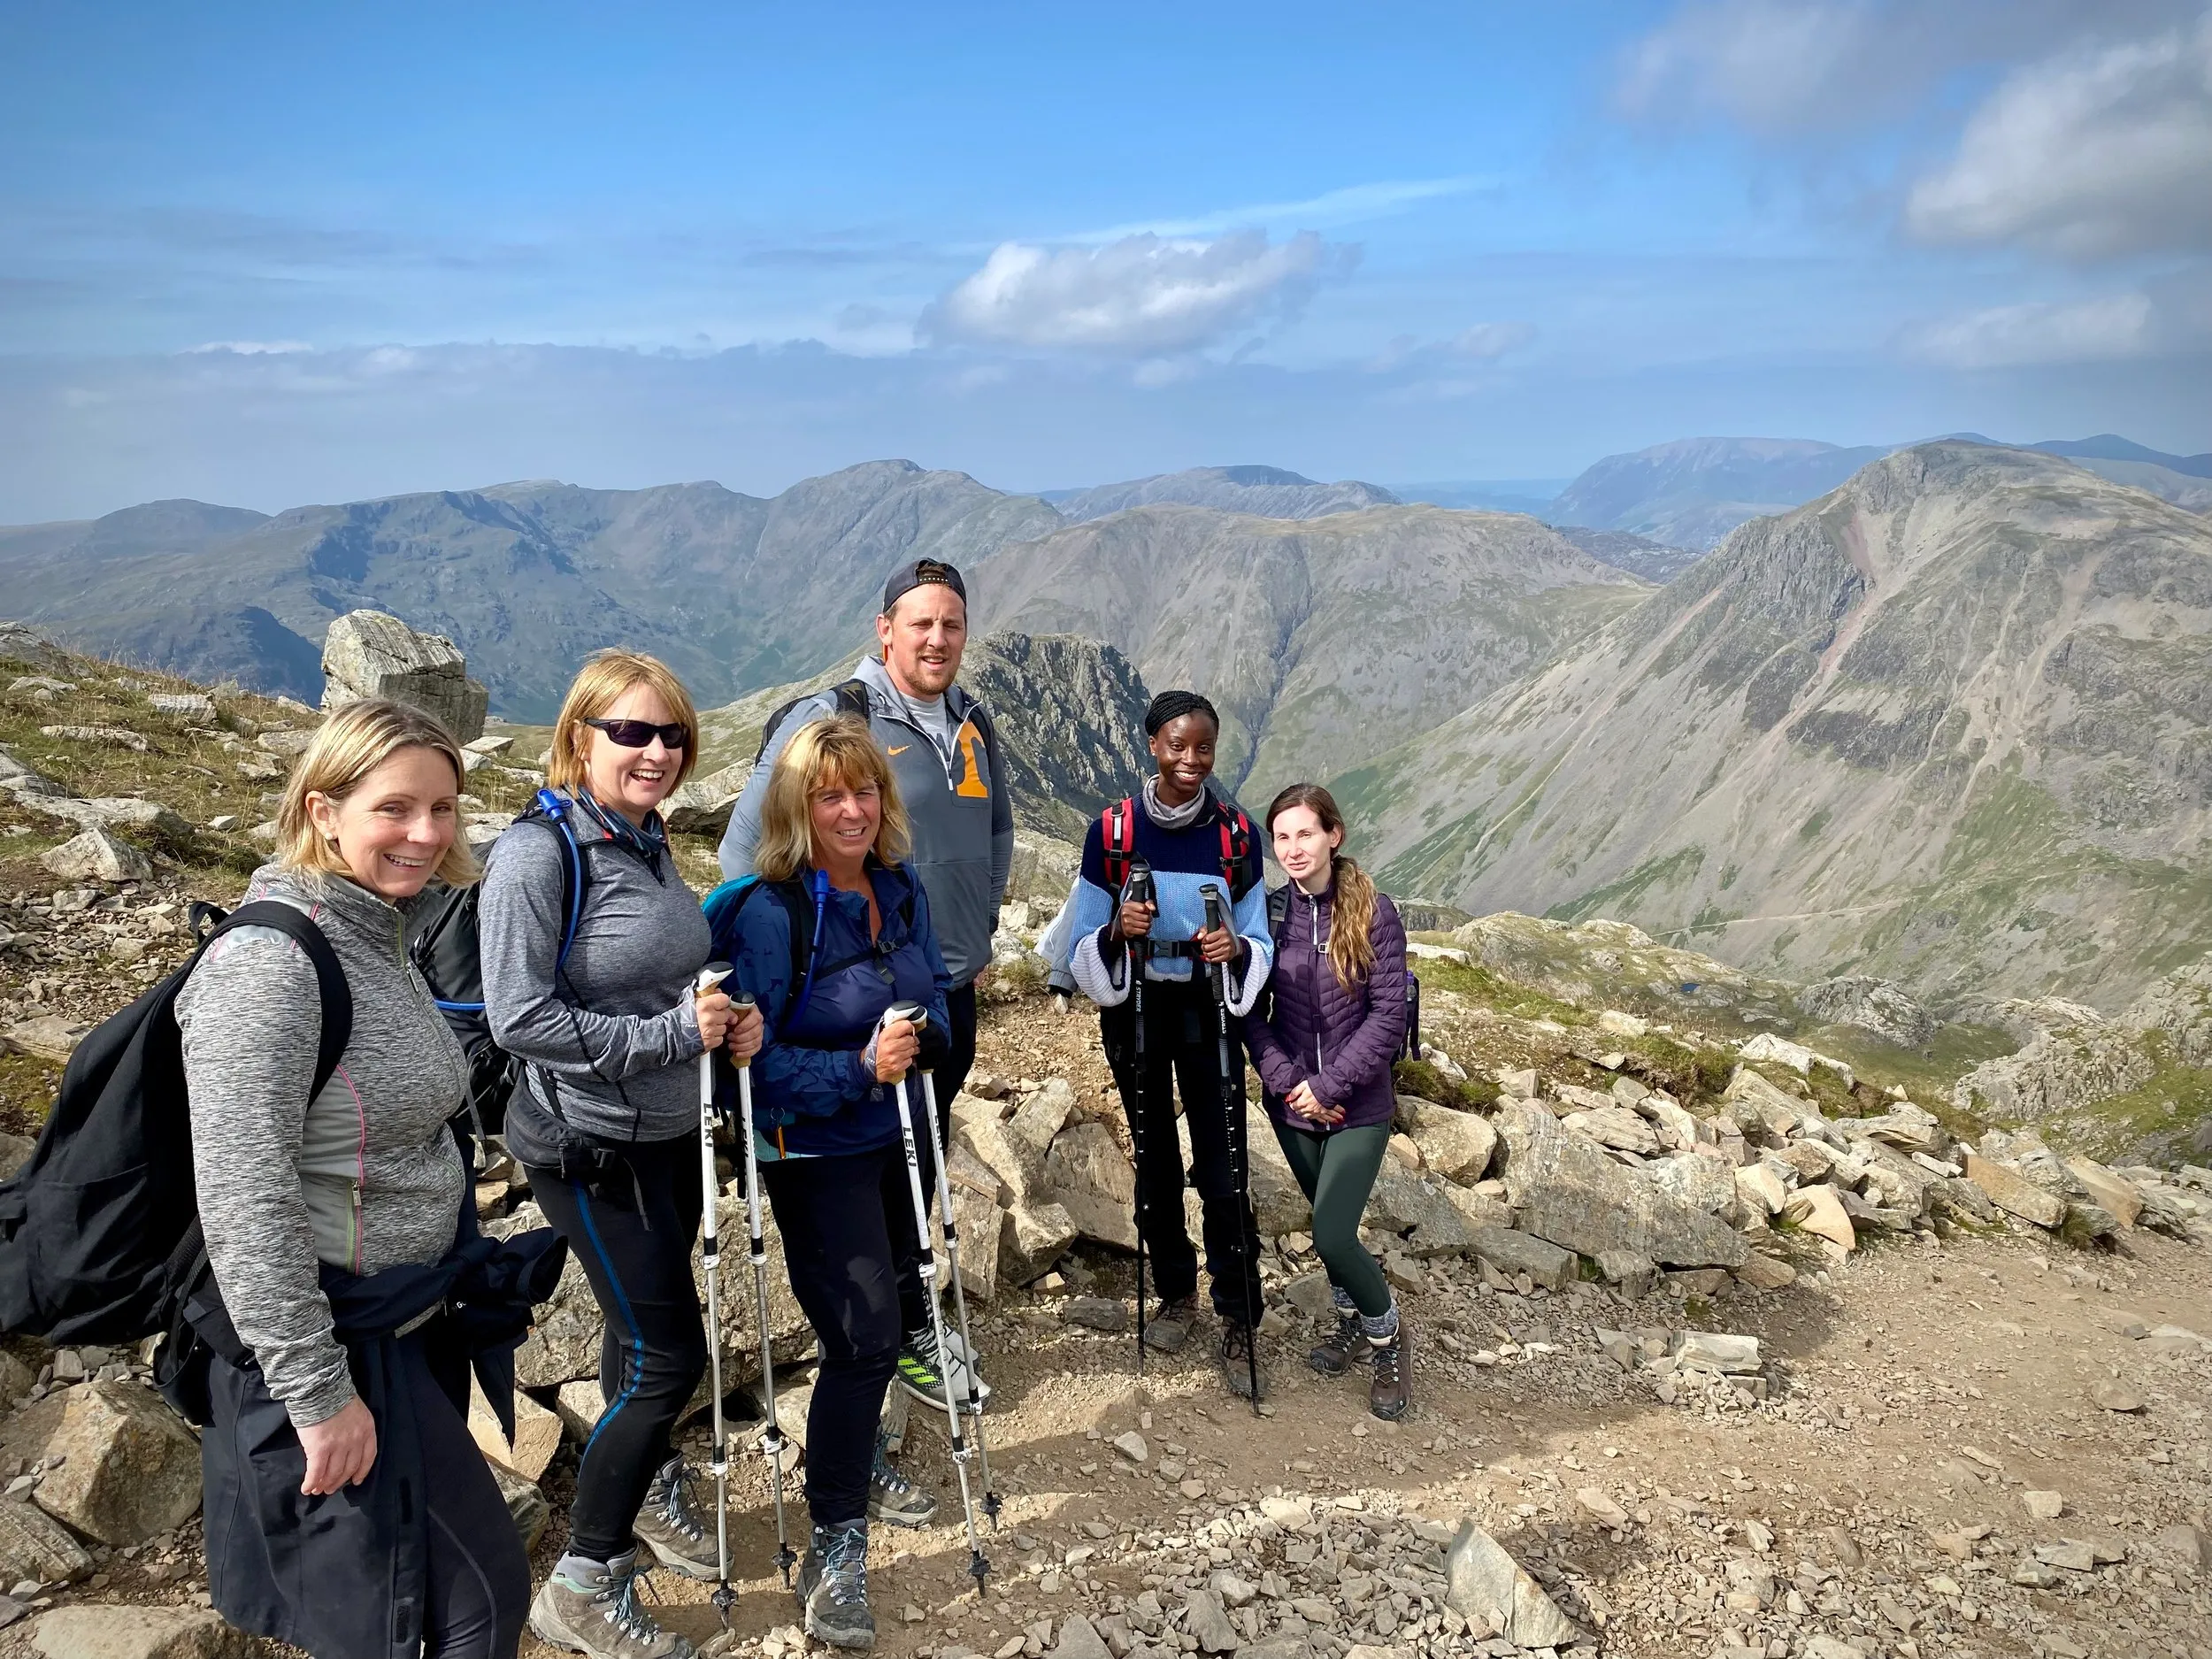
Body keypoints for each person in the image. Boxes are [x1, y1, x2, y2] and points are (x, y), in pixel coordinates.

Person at [180, 698, 561, 1659]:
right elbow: (242, 1196)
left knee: (409, 1608)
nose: (426, 835)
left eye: (443, 809)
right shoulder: (269, 967)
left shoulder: (377, 932)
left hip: (403, 1321)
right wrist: (313, 1392)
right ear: (323, 811)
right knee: (470, 1604)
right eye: (395, 808)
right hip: (342, 1342)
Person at [479, 650, 764, 1659]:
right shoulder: (536, 855)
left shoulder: (643, 838)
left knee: (633, 1334)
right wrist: (671, 1039)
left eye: (671, 734)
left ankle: (643, 1493)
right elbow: (518, 1018)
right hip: (585, 1144)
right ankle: (583, 1582)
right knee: (669, 1356)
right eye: (630, 732)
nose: (655, 751)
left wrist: (724, 1019)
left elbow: (656, 974)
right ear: (578, 739)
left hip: (666, 1132)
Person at [718, 557, 1007, 1412]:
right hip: (837, 1003)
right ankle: (871, 1333)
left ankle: (906, 1322)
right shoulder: (836, 718)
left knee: (916, 1161)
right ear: (885, 629)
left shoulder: (970, 721)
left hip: (938, 989)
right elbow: (747, 852)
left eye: (951, 623)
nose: (937, 638)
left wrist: (975, 931)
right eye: (919, 622)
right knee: (865, 1171)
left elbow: (996, 832)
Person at [717, 715, 953, 1650]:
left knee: (884, 1323)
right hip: (813, 1154)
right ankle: (835, 1546)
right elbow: (754, 1073)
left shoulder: (898, 889)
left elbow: (933, 998)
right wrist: (861, 1068)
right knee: (863, 1340)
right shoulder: (773, 915)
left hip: (898, 1137)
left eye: (864, 792)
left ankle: (848, 1467)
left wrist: (920, 1038)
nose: (852, 810)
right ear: (796, 807)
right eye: (829, 795)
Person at [1063, 691, 1275, 1397]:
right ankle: (1178, 1291)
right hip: (1140, 1005)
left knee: (1223, 1163)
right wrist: (1119, 931)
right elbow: (1080, 936)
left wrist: (1235, 946)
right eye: (1176, 745)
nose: (1190, 760)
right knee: (1154, 1154)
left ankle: (1239, 1308)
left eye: (1203, 747)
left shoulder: (1238, 835)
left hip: (1208, 1005)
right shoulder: (1114, 832)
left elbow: (1259, 937)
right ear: (1152, 743)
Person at [1244, 784, 1413, 1420]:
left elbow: (1388, 1014)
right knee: (1328, 1227)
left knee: (1332, 1233)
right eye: (1281, 836)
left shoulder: (1375, 912)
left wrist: (1329, 1086)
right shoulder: (1267, 913)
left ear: (1333, 835)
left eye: (1305, 834)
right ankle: (1351, 1320)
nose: (1292, 848)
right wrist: (1292, 1083)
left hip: (1357, 1108)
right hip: (1291, 1107)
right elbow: (1249, 1013)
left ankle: (1388, 1336)